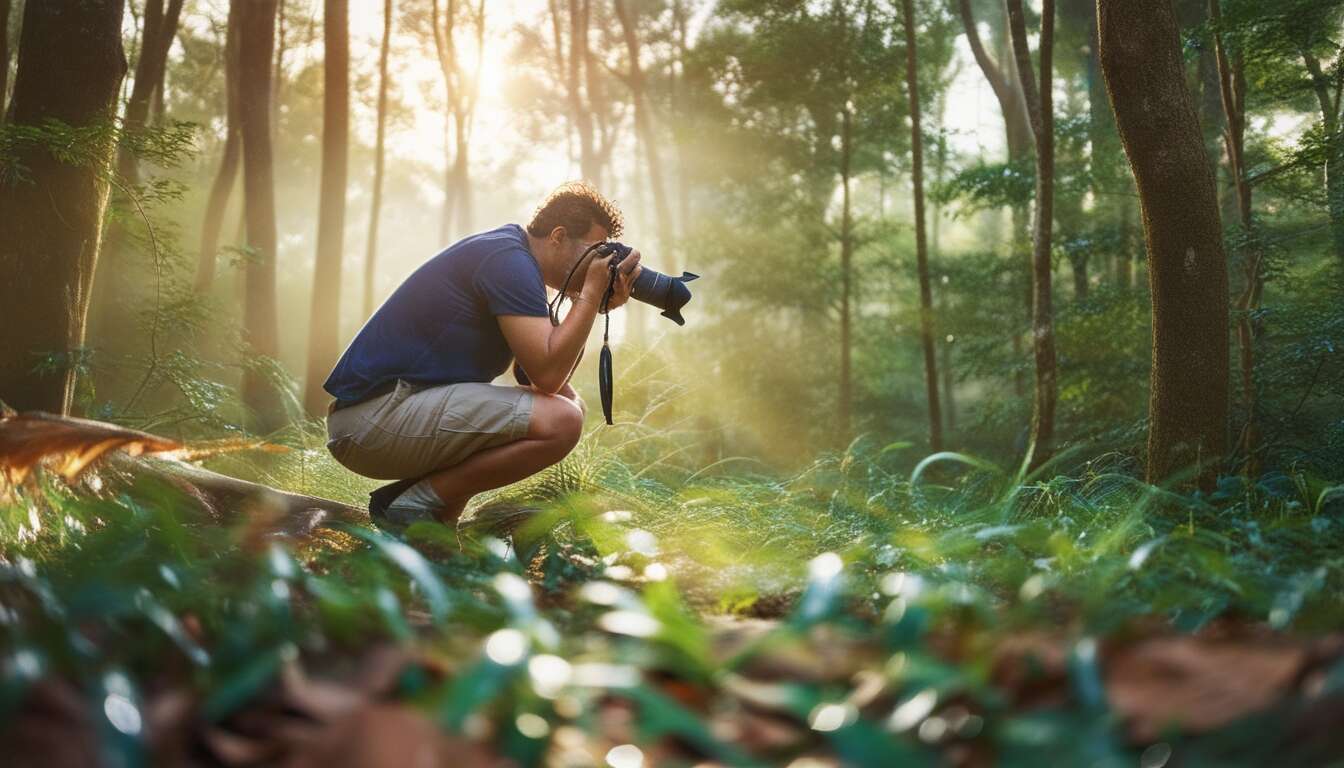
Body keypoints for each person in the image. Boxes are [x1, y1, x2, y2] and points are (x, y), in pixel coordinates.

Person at [323, 182, 642, 528]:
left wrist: (591, 303)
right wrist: (591, 298)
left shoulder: (515, 259)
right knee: (562, 420)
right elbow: (548, 376)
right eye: (595, 252)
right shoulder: (509, 262)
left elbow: (543, 379)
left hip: (384, 416)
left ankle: (433, 526)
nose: (600, 264)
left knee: (568, 408)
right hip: (373, 419)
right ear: (557, 236)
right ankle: (413, 506)